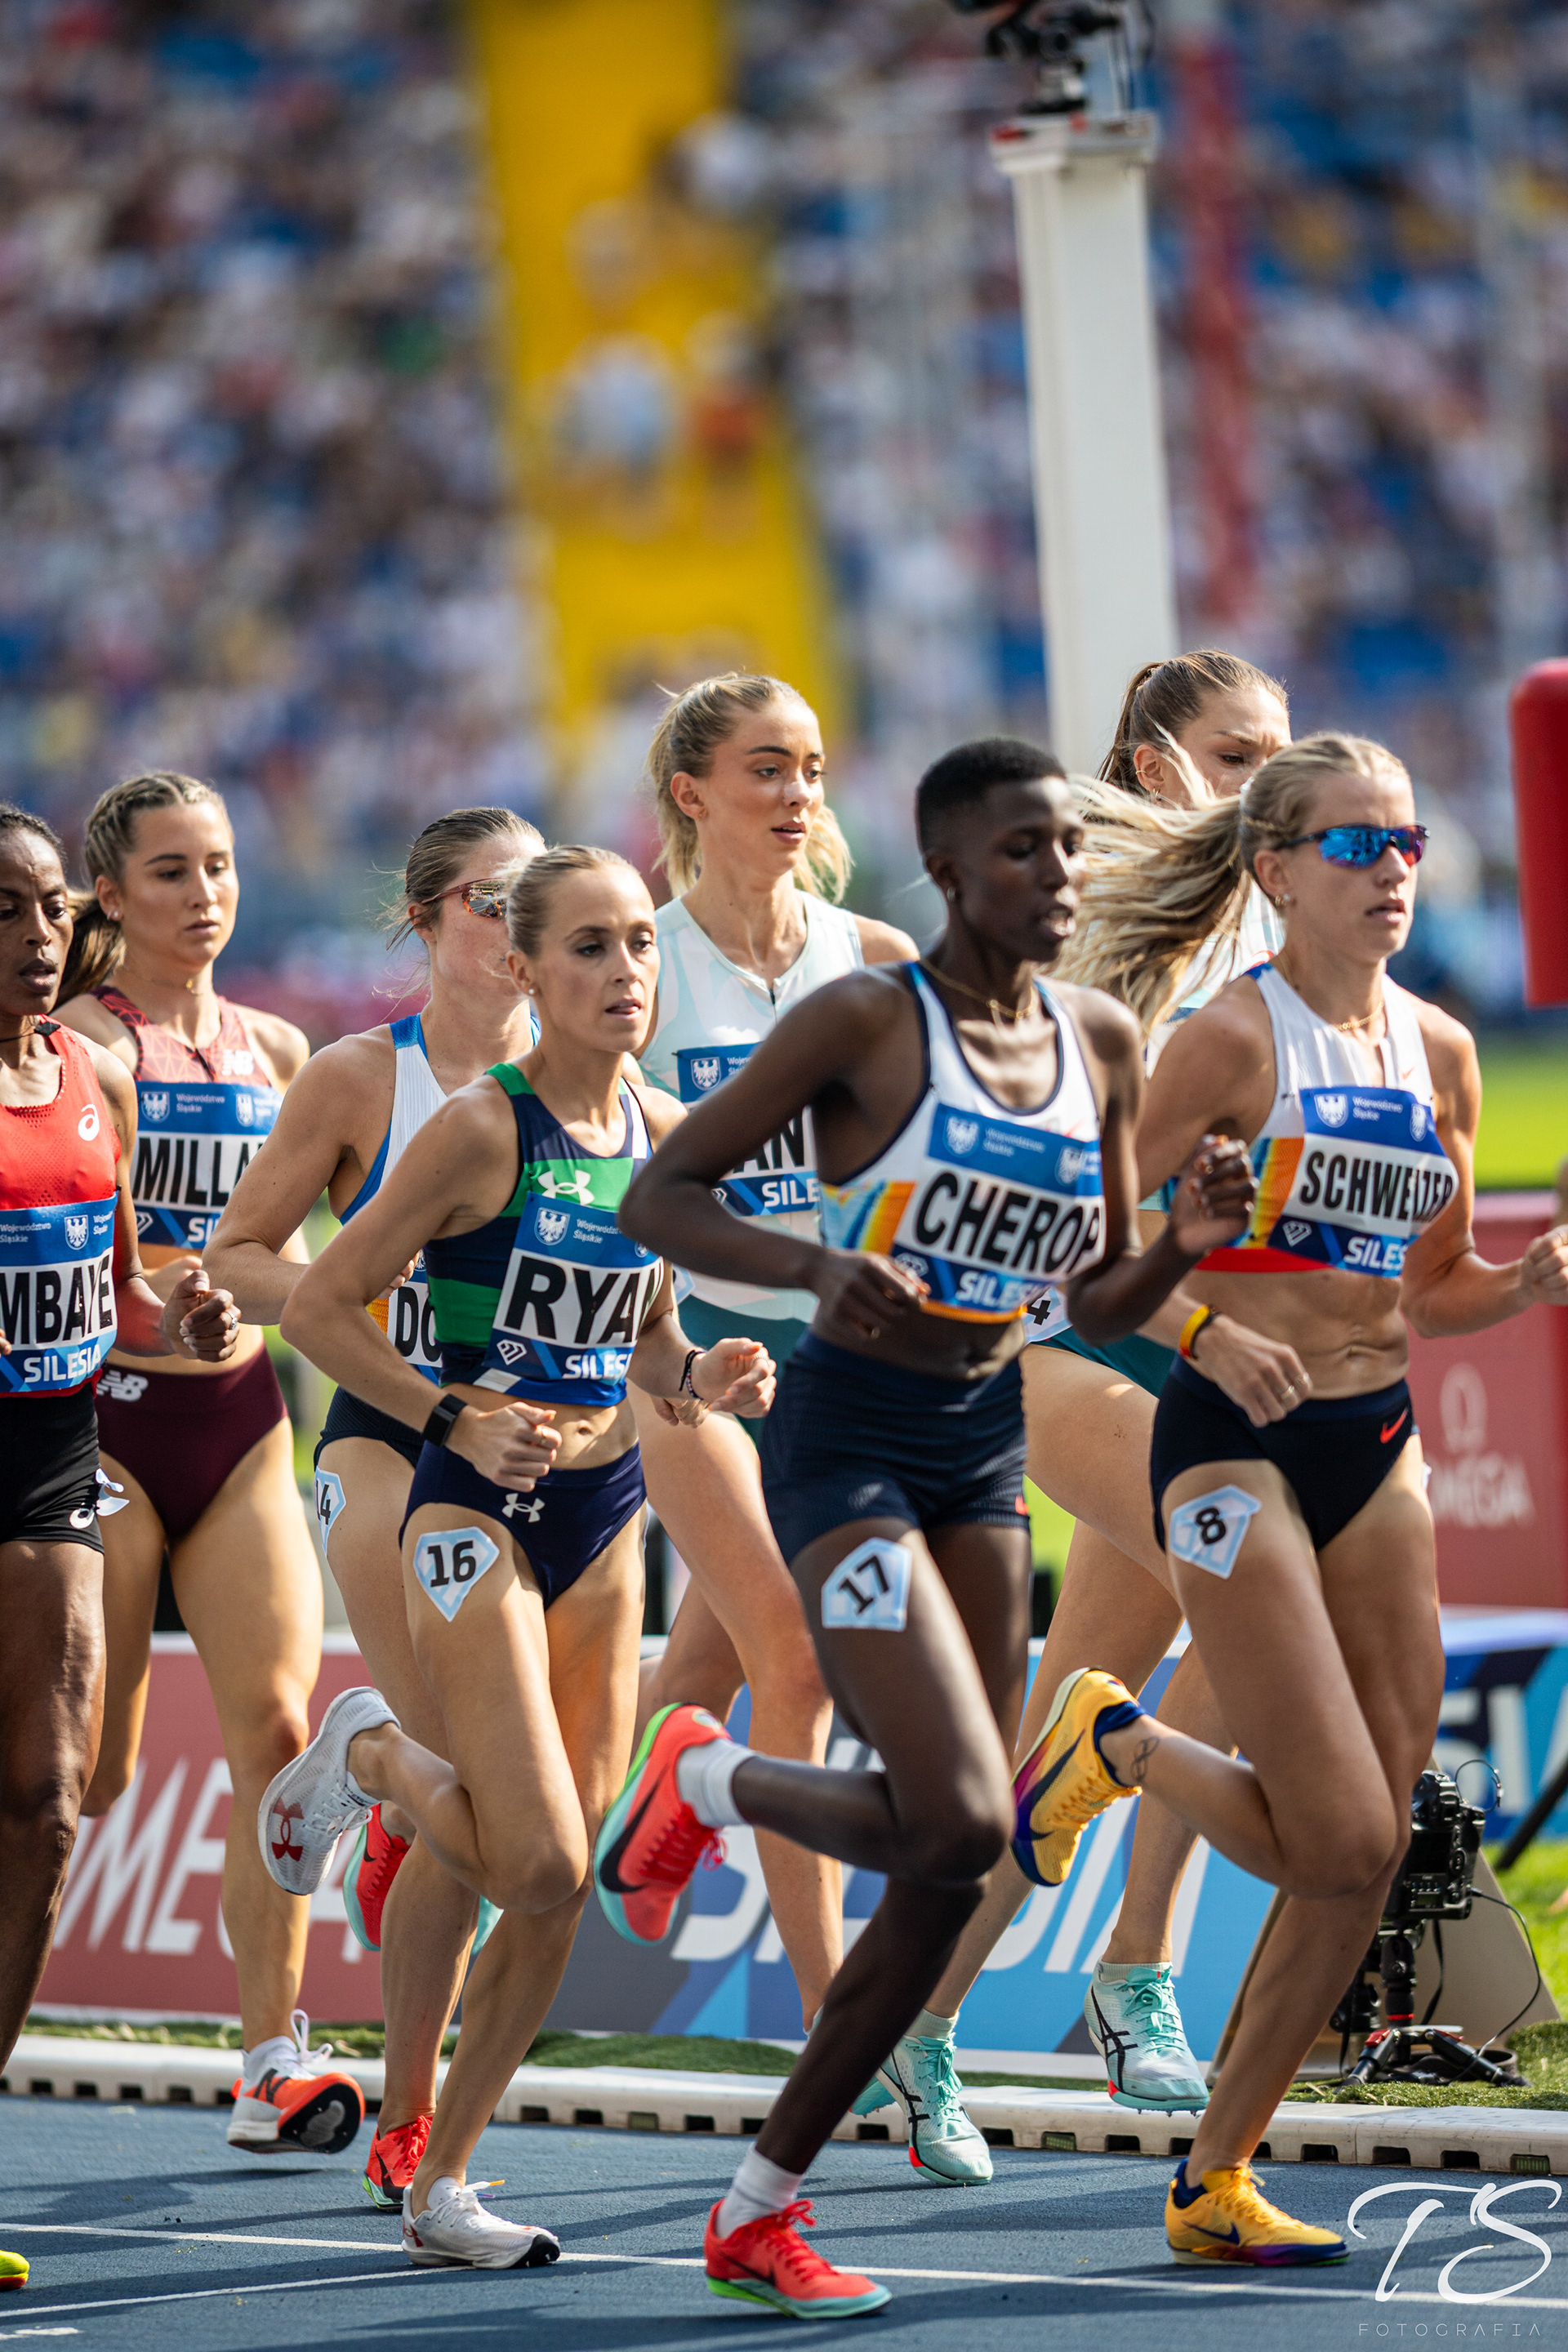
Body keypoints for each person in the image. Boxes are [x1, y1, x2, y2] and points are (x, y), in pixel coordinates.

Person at [595, 740, 1254, 2319]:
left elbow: (1094, 1293)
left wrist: (1183, 1242)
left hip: (982, 1451)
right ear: (948, 869)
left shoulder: (1100, 1041)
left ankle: (757, 2211)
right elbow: (658, 1198)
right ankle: (704, 1776)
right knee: (959, 1819)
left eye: (1069, 849)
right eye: (1022, 850)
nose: (1057, 875)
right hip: (848, 1447)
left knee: (957, 1856)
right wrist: (819, 1267)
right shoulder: (866, 1021)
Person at [1007, 730, 1568, 2265]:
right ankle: (1117, 1740)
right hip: (1230, 1441)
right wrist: (1200, 1330)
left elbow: (1431, 1288)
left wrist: (1521, 1284)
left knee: (1371, 1849)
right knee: (1331, 1829)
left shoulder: (1442, 1051)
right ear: (1275, 871)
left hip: (1375, 1441)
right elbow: (1083, 1248)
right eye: (1355, 845)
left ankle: (1215, 2180)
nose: (1393, 870)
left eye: (1408, 843)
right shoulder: (1228, 1043)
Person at [264, 845, 776, 2271]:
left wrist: (706, 1379)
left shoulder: (667, 1130)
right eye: (592, 949)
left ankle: (443, 2183)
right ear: (529, 971)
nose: (627, 972)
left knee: (564, 1880)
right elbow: (319, 1305)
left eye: (641, 945)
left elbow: (646, 1338)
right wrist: (451, 1414)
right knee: (538, 1858)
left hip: (606, 1512)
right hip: (471, 1514)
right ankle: (375, 1754)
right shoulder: (483, 1130)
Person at [920, 652, 1300, 2119]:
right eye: (1238, 754)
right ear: (1154, 766)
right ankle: (1138, 1965)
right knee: (1259, 1575)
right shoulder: (1089, 895)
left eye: (1281, 753)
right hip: (1048, 1326)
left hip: (1185, 1324)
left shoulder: (1277, 932)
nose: (1268, 780)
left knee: (1051, 1746)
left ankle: (914, 2020)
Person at [207, 805, 541, 2209]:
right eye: (487, 901)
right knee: (467, 1777)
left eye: (536, 900)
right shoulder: (360, 1077)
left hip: (536, 1456)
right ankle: (372, 1755)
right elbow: (237, 1254)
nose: (515, 930)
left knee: (518, 1823)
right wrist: (354, 1298)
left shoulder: (583, 1078)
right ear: (425, 918)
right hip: (388, 1440)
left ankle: (411, 2110)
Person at [53, 772, 362, 2157]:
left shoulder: (283, 1050)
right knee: (88, 1772)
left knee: (280, 1741)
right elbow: (74, 1264)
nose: (205, 894)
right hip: (106, 1424)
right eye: (171, 871)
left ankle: (267, 2060)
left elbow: (332, 1250)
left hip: (240, 1422)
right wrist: (160, 1312)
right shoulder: (81, 1046)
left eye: (221, 866)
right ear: (111, 895)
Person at [634, 671, 917, 2068]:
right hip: (685, 1350)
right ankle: (837, 2023)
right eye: (765, 769)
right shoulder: (646, 963)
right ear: (693, 793)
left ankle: (518, 1837)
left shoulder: (873, 956)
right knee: (793, 1654)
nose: (798, 794)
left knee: (703, 1662)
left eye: (809, 766)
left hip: (844, 1360)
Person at [0, 804, 238, 2292]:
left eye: (46, 912)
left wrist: (183, 1318)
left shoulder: (92, 1074)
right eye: (2, 914)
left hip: (46, 1464)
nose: (36, 941)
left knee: (49, 1806)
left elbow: (126, 1284)